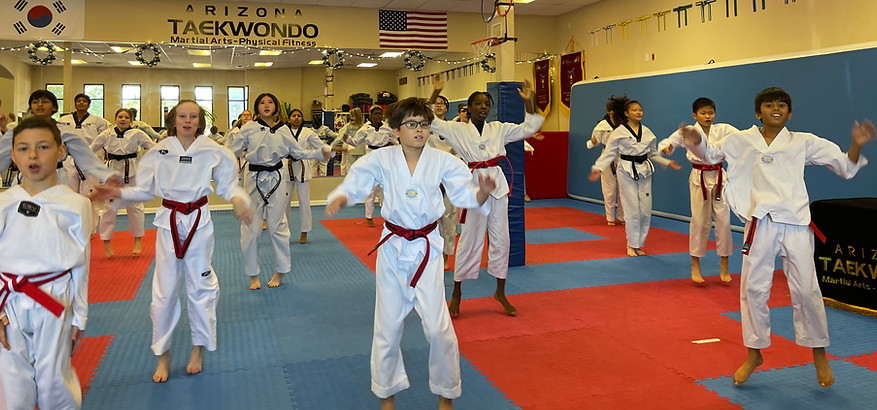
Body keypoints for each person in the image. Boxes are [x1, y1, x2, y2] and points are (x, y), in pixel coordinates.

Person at [681, 87, 875, 387]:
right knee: (753, 290)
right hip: (760, 224)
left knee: (807, 289)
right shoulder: (740, 140)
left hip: (796, 223)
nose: (776, 108)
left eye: (782, 105)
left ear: (790, 112)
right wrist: (695, 141)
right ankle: (754, 352)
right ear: (758, 112)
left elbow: (845, 166)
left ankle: (819, 353)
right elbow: (708, 153)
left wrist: (855, 144)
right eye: (769, 105)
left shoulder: (803, 141)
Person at [326, 97, 495, 410]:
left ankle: (446, 394)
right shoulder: (381, 159)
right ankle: (386, 394)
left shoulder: (443, 160)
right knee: (388, 327)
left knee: (440, 329)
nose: (420, 130)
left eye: (424, 124)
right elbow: (356, 182)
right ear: (396, 130)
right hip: (392, 248)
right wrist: (341, 197)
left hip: (428, 250)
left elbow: (464, 193)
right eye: (412, 124)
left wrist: (481, 192)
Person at [91, 100, 254, 383]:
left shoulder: (215, 151)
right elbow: (143, 191)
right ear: (173, 119)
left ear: (200, 121)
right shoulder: (158, 151)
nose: (188, 120)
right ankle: (162, 355)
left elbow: (229, 186)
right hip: (168, 222)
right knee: (164, 291)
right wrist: (114, 195)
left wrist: (240, 201)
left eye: (193, 116)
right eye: (182, 116)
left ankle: (197, 349)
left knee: (201, 285)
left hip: (199, 223)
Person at [429, 78, 545, 317]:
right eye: (478, 103)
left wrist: (529, 102)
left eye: (486, 104)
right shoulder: (456, 129)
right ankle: (457, 293)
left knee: (502, 237)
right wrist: (436, 92)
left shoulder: (499, 128)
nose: (483, 107)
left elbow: (528, 128)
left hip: (497, 185)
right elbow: (430, 121)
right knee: (470, 239)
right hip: (473, 185)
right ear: (468, 108)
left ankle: (500, 292)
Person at [0, 117, 92, 410]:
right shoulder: (4, 202)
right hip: (8, 299)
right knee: (13, 382)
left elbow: (82, 264)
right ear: (13, 155)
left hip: (55, 297)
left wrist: (80, 313)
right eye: (23, 148)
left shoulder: (77, 204)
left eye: (43, 147)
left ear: (61, 151)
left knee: (54, 381)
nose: (33, 156)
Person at [227, 96, 329, 290]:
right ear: (257, 107)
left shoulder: (283, 130)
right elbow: (230, 151)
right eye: (262, 102)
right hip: (253, 177)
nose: (266, 105)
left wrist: (319, 153)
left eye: (270, 102)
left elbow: (298, 152)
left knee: (278, 225)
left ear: (275, 108)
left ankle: (280, 270)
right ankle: (253, 274)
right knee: (251, 226)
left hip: (277, 176)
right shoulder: (248, 127)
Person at [659, 97, 738, 283]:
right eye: (703, 113)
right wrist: (667, 148)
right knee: (700, 221)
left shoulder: (724, 129)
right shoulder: (688, 132)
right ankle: (695, 264)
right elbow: (668, 142)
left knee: (724, 222)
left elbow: (743, 138)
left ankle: (724, 263)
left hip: (719, 176)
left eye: (711, 113)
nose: (708, 116)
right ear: (695, 115)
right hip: (699, 177)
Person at [589, 100, 681, 257]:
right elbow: (610, 152)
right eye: (634, 110)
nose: (639, 112)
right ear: (626, 113)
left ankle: (639, 244)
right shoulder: (619, 132)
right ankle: (631, 245)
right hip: (625, 170)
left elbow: (652, 153)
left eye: (640, 110)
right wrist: (598, 168)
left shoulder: (647, 132)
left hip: (644, 170)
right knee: (631, 210)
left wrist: (667, 161)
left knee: (645, 210)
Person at [0, 90, 117, 189]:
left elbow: (85, 156)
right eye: (35, 102)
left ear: (54, 107)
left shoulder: (64, 130)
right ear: (31, 107)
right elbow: (2, 155)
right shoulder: (17, 131)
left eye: (45, 102)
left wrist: (106, 176)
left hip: (55, 177)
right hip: (26, 176)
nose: (40, 105)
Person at [90, 108, 156, 257]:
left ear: (131, 121)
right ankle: (106, 241)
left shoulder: (137, 133)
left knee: (135, 207)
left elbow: (152, 147)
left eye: (127, 117)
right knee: (109, 207)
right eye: (120, 116)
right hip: (112, 175)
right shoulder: (107, 134)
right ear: (115, 119)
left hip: (132, 173)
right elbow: (91, 148)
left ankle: (138, 240)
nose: (123, 119)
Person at [285, 108, 330, 244]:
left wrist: (331, 150)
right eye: (294, 116)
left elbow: (320, 146)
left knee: (304, 202)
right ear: (289, 118)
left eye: (299, 116)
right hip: (287, 167)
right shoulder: (283, 131)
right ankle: (284, 232)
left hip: (303, 167)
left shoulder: (307, 132)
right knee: (284, 203)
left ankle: (304, 231)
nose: (296, 118)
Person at [428, 95, 461, 270]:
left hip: (448, 175)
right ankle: (430, 253)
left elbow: (459, 151)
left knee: (449, 217)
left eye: (442, 104)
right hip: (430, 176)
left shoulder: (453, 128)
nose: (439, 106)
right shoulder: (424, 127)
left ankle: (446, 255)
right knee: (428, 217)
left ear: (447, 108)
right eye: (436, 104)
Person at [350, 106, 395, 226]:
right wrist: (347, 140)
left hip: (385, 157)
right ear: (371, 115)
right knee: (371, 190)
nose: (378, 116)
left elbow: (396, 139)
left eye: (380, 113)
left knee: (386, 190)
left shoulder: (387, 127)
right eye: (376, 114)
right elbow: (355, 142)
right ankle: (369, 216)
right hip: (371, 158)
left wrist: (393, 144)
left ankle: (388, 216)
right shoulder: (365, 129)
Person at [587, 96, 628, 225]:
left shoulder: (626, 124)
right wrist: (593, 142)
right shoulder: (602, 125)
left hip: (623, 157)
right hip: (608, 158)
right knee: (609, 189)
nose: (611, 112)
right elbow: (593, 142)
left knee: (624, 189)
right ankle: (610, 217)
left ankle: (622, 217)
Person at [332, 108, 366, 176]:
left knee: (349, 168)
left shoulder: (349, 126)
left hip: (351, 149)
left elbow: (340, 137)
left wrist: (332, 145)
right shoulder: (364, 126)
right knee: (361, 170)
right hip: (362, 150)